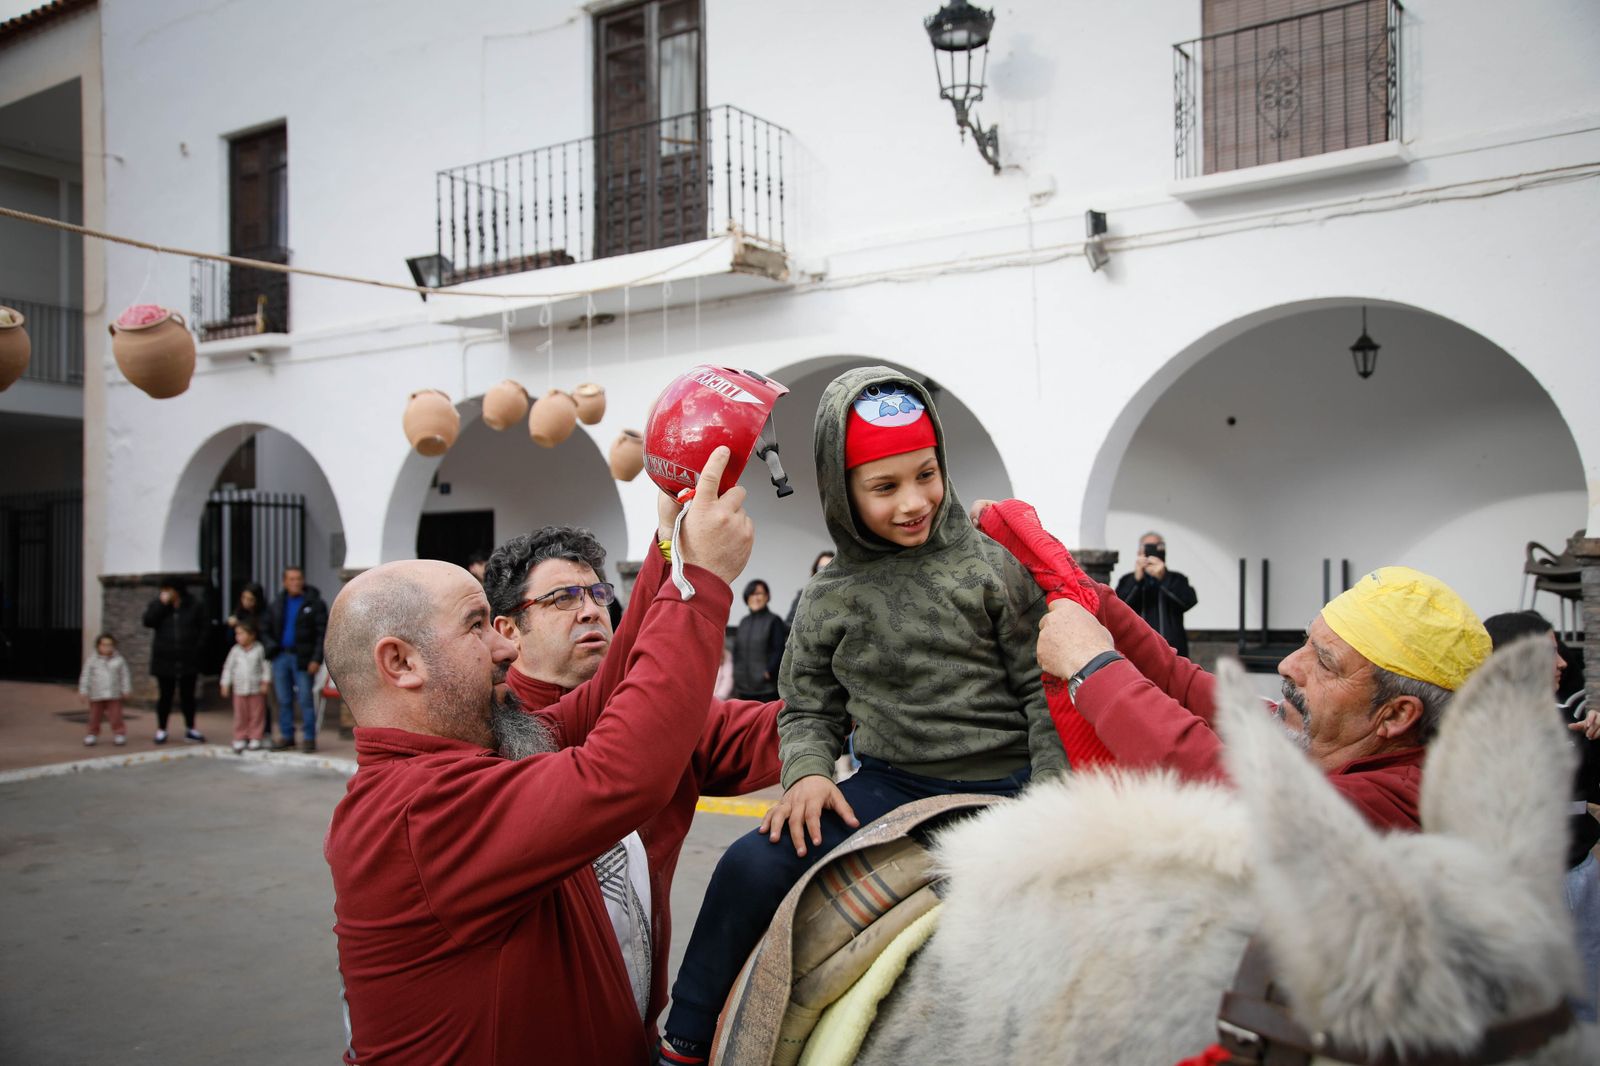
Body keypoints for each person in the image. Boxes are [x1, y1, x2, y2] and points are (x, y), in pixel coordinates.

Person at [659, 369, 1062, 1066]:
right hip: (889, 788)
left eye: (925, 474)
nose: (913, 502)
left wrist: (1054, 796)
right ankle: (685, 1041)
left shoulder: (994, 568)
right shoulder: (827, 597)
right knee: (750, 867)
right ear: (841, 493)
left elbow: (1042, 689)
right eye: (884, 487)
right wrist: (809, 775)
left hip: (1012, 784)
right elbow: (809, 706)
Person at [325, 448, 755, 1065]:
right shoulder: (417, 811)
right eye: (477, 625)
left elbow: (612, 690)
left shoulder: (478, 752)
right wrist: (704, 583)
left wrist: (672, 554)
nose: (506, 648)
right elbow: (622, 774)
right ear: (401, 663)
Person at [480, 519, 781, 1047]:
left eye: (598, 593)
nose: (592, 609)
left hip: (637, 1023)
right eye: (561, 598)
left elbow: (764, 732)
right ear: (507, 631)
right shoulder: (488, 734)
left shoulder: (663, 710)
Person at [1033, 556, 1491, 832]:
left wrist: (1090, 667)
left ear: (1395, 716)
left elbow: (1234, 797)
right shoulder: (1318, 737)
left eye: (1325, 663)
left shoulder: (1402, 799)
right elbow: (1184, 684)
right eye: (1307, 643)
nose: (1289, 666)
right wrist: (1078, 587)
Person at [1483, 609, 1600, 1019]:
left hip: (1577, 873)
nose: (1564, 662)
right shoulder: (1472, 728)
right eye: (1552, 652)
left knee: (1585, 995)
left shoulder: (1569, 722)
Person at [263, 566, 327, 753]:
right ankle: (287, 735)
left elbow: (322, 633)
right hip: (281, 656)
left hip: (303, 659)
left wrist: (316, 658)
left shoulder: (314, 603)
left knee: (305, 699)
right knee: (283, 699)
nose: (295, 582)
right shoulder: (277, 603)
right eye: (291, 579)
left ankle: (309, 738)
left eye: (298, 578)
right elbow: (265, 628)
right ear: (285, 582)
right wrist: (272, 649)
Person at [142, 578, 208, 744]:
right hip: (165, 658)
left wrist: (198, 648)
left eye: (169, 590)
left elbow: (204, 628)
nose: (166, 593)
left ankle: (190, 728)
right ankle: (162, 729)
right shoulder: (159, 605)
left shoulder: (194, 605)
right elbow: (148, 621)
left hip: (188, 658)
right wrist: (161, 605)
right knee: (165, 695)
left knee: (188, 696)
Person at [1113, 531, 1198, 657]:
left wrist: (1164, 578)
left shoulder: (1176, 579)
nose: (1151, 552)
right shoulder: (1128, 580)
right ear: (1139, 553)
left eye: (1156, 547)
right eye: (1147, 548)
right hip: (1138, 650)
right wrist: (1136, 580)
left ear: (1163, 552)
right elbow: (1118, 607)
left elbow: (1189, 601)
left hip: (1173, 651)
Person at [219, 620, 271, 753]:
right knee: (240, 715)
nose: (239, 637)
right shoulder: (235, 651)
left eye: (242, 634)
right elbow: (228, 668)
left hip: (255, 689)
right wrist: (225, 683)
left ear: (252, 635)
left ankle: (255, 736)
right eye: (237, 634)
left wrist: (265, 682)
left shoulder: (259, 649)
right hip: (239, 689)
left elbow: (266, 667)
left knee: (256, 714)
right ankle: (240, 737)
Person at [731, 578, 787, 701]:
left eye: (759, 593)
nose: (755, 598)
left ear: (767, 597)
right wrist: (736, 674)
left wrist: (768, 672)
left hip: (766, 689)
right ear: (747, 598)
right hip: (743, 687)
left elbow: (779, 650)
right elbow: (736, 651)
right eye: (752, 594)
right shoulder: (744, 622)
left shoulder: (774, 620)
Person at [78, 632, 132, 746]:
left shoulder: (119, 660)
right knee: (94, 716)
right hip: (96, 693)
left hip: (114, 693)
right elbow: (85, 676)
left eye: (110, 645)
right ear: (98, 646)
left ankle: (119, 733)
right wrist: (83, 691)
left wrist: (126, 689)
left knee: (116, 715)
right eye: (104, 645)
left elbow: (124, 676)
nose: (107, 648)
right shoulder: (92, 660)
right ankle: (92, 734)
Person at [784, 550, 834, 626]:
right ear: (814, 571)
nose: (825, 572)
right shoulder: (803, 594)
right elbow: (789, 625)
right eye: (821, 568)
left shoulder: (840, 600)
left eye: (829, 568)